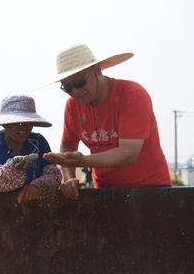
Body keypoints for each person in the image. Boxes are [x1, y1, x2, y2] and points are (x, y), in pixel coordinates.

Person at [43, 44, 171, 200]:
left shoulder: (132, 95)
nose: (75, 92)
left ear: (97, 69)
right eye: (68, 87)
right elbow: (68, 146)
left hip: (150, 191)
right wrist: (68, 177)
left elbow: (128, 154)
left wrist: (82, 161)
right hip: (105, 192)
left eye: (79, 83)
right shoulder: (72, 105)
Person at [0, 95, 62, 203]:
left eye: (27, 122)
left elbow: (53, 175)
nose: (23, 126)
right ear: (5, 124)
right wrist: (14, 169)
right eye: (16, 122)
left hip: (35, 207)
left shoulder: (39, 141)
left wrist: (36, 187)